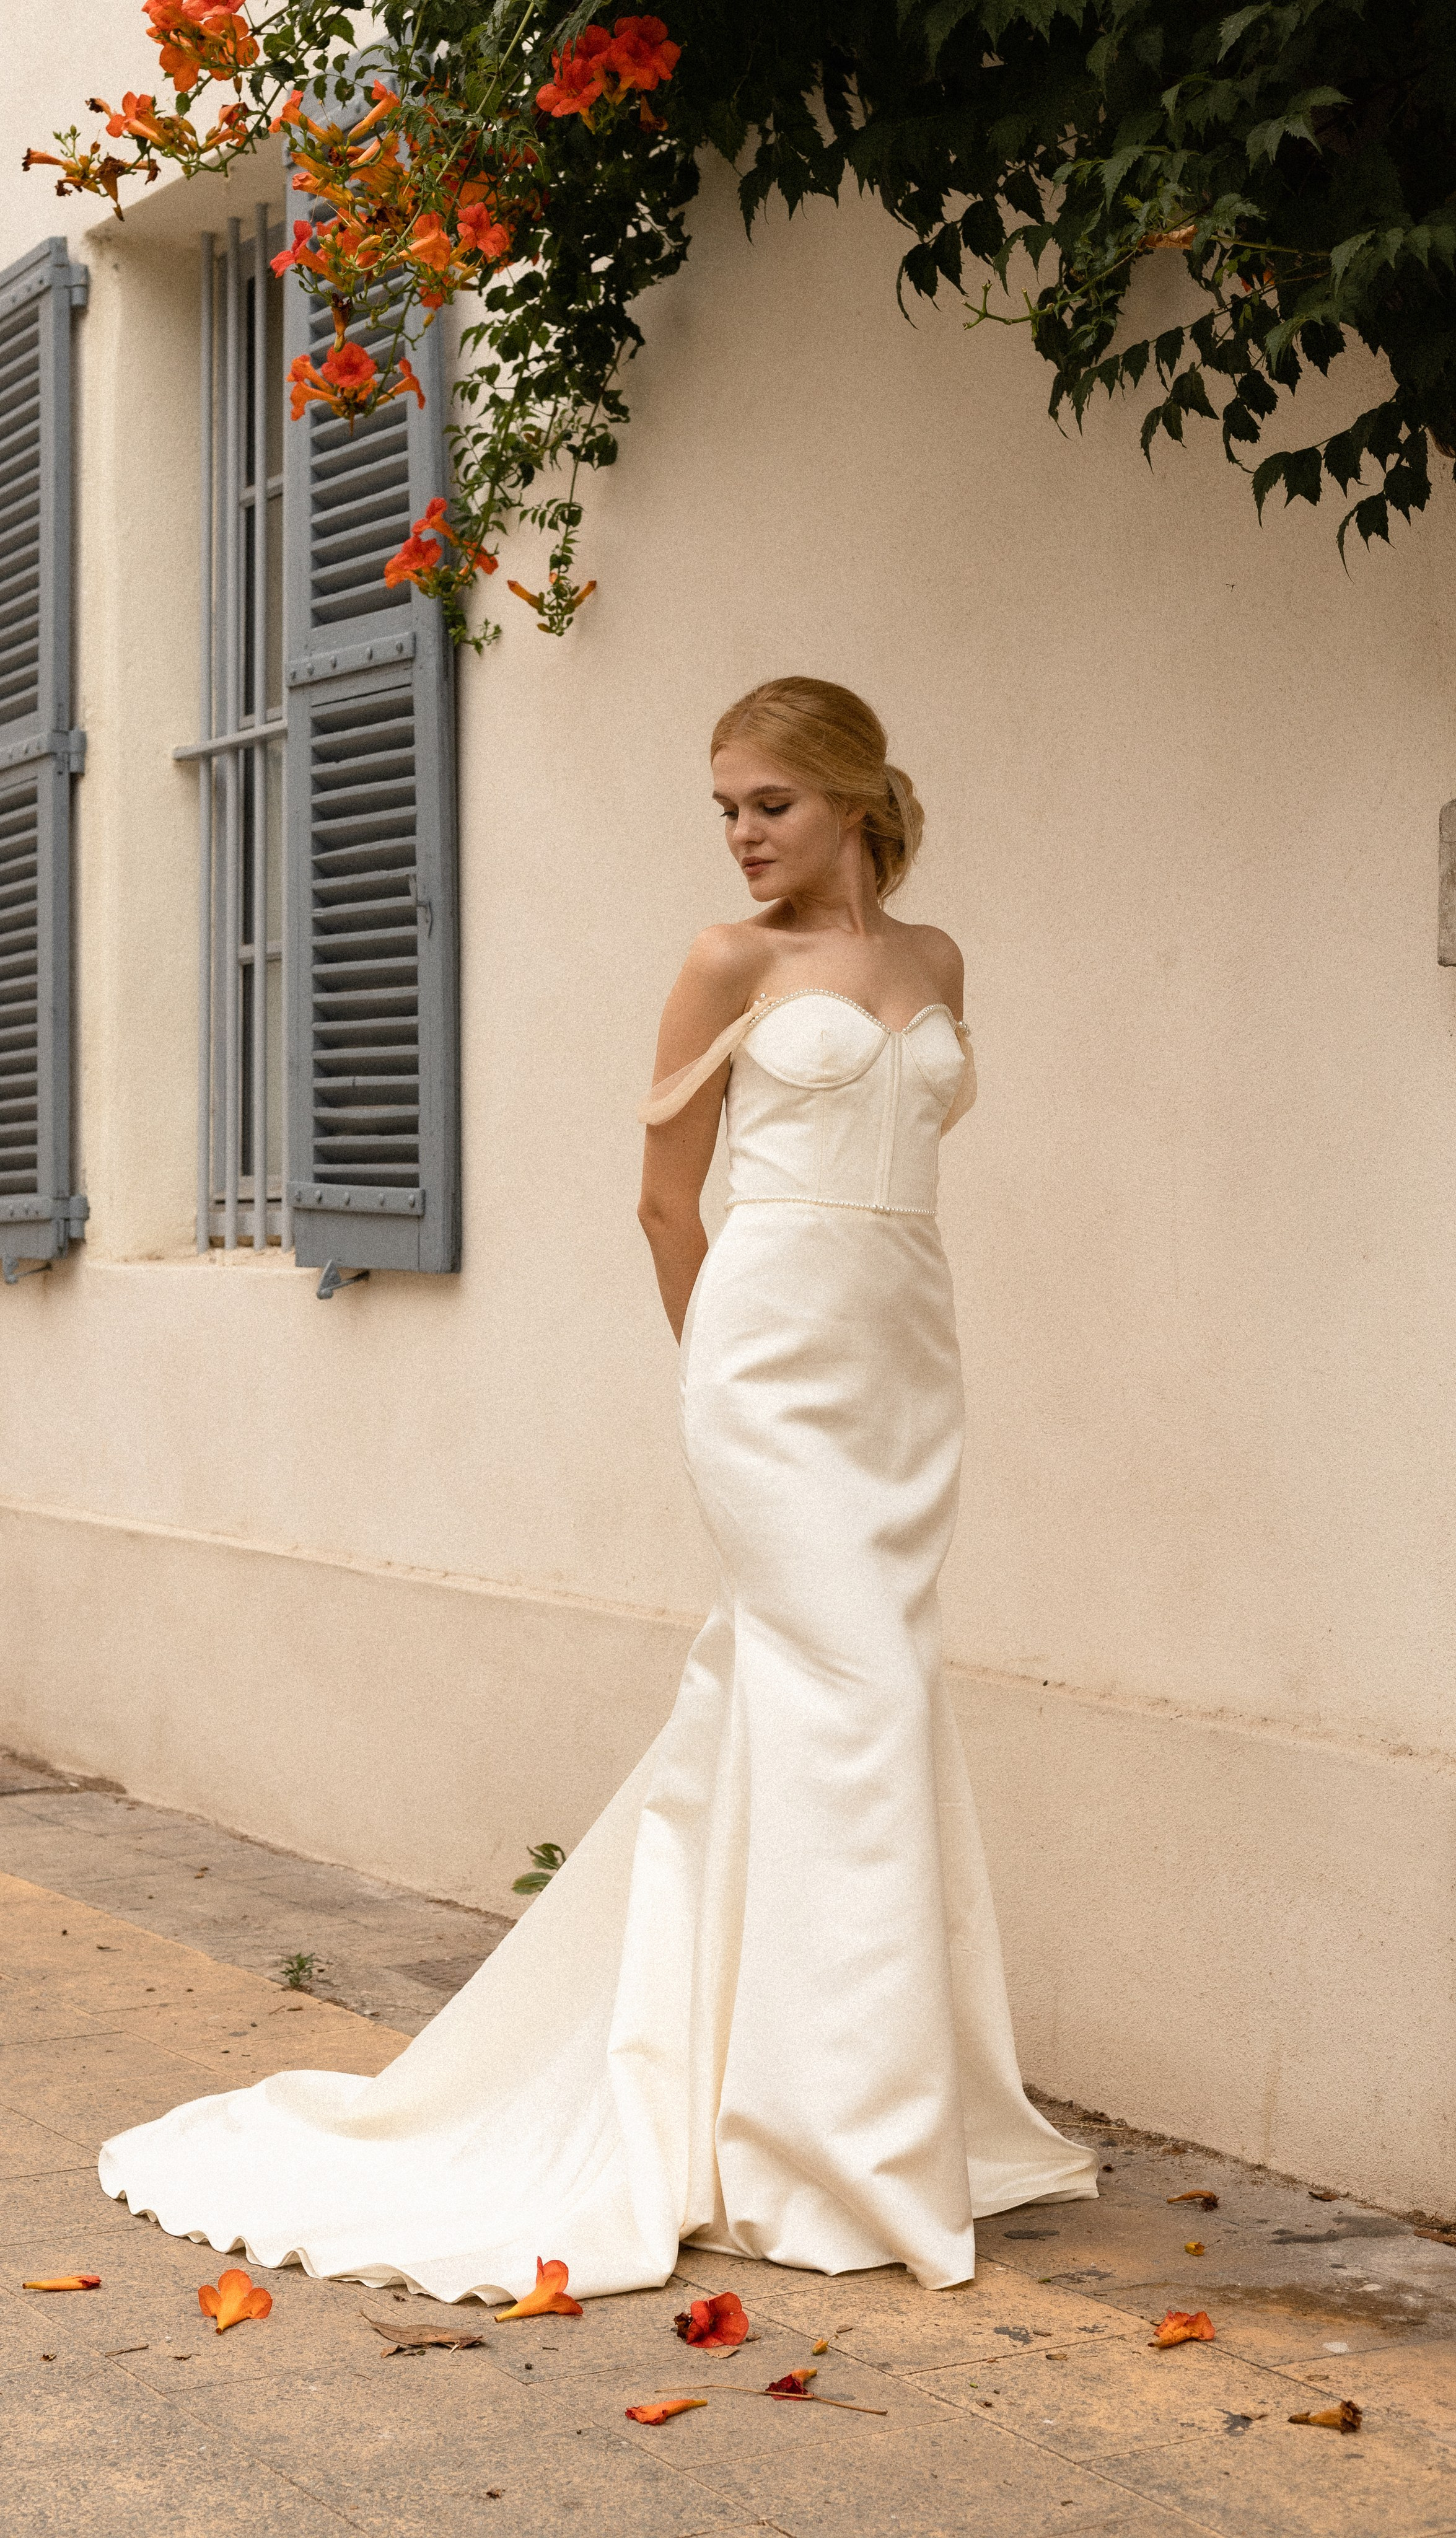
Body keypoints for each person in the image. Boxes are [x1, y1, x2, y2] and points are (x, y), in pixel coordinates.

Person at [98, 675, 1094, 2302]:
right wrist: (720, 1376)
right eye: (725, 808)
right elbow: (663, 1202)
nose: (742, 835)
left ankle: (822, 2094)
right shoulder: (726, 964)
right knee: (854, 1695)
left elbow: (903, 1170)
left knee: (854, 1706)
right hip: (766, 1368)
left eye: (770, 803)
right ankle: (836, 2141)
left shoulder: (937, 962)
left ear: (852, 799)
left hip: (908, 1362)